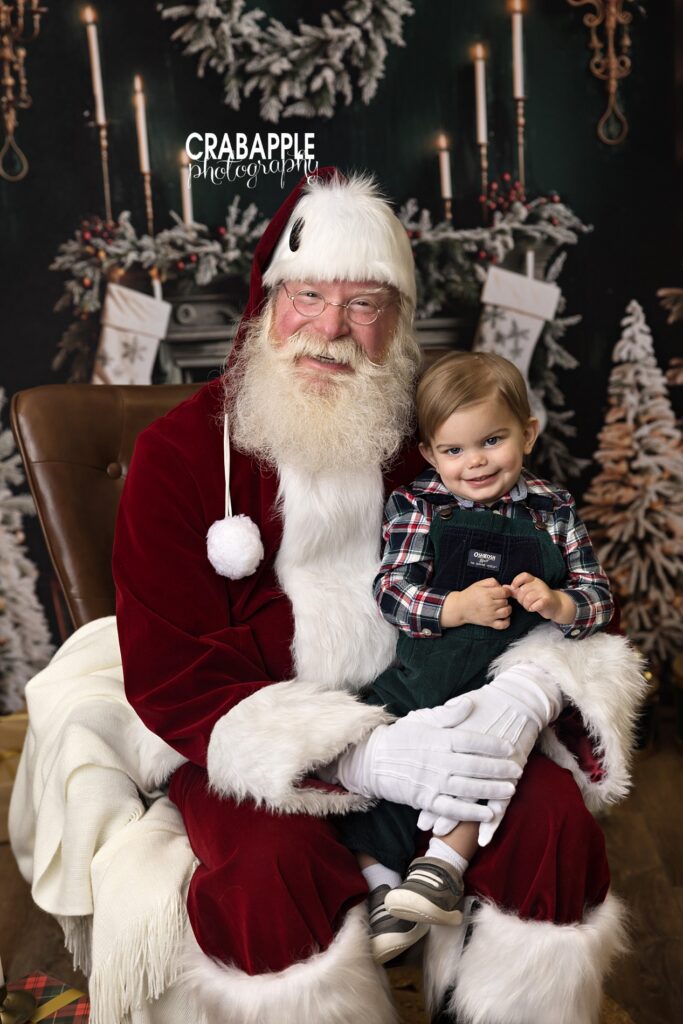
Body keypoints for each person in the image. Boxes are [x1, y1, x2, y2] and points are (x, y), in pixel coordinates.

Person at [112, 169, 644, 1024]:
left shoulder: (432, 442)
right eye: (309, 294)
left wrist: (521, 695)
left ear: (397, 323)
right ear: (267, 301)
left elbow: (555, 576)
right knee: (269, 872)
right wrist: (361, 758)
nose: (329, 329)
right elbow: (174, 672)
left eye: (363, 304)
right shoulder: (177, 456)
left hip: (441, 707)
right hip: (254, 735)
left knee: (551, 826)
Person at [335, 350, 614, 964]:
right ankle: (382, 888)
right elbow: (391, 590)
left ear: (528, 434)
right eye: (455, 450)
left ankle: (444, 865)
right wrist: (453, 608)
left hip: (499, 678)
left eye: (493, 440)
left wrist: (560, 603)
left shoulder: (553, 508)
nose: (476, 462)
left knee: (487, 752)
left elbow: (599, 597)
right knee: (360, 755)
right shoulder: (417, 504)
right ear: (432, 454)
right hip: (422, 671)